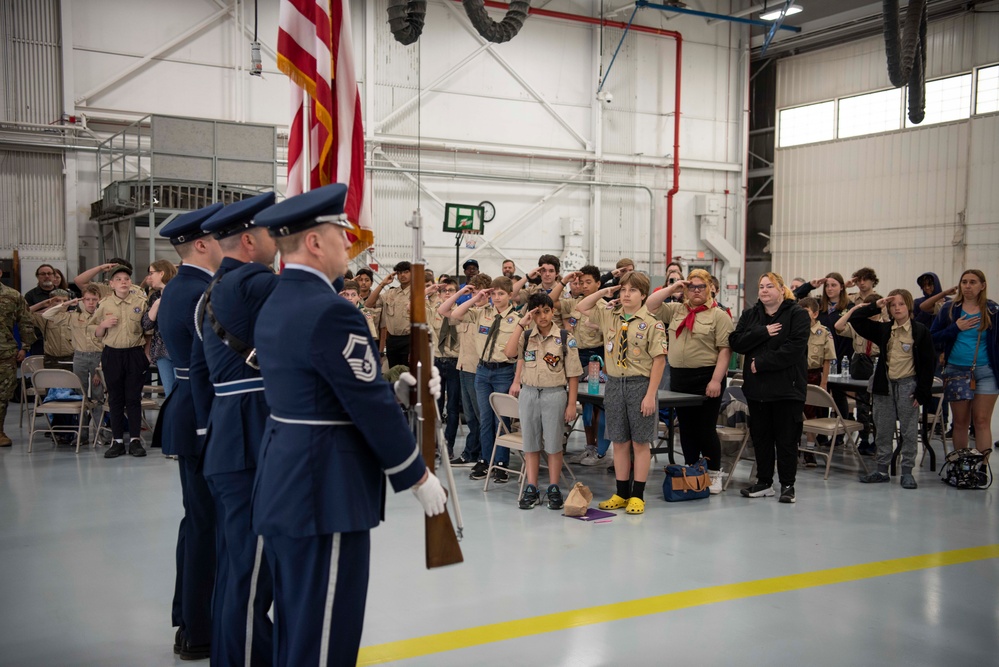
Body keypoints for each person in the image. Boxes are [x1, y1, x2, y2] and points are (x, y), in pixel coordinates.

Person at [251, 183, 447, 667]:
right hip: (325, 488)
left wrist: (398, 390)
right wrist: (416, 474)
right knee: (325, 635)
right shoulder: (331, 309)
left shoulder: (279, 299)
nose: (350, 243)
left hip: (286, 474)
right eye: (343, 233)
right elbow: (367, 407)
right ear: (315, 242)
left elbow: (325, 388)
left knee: (298, 625)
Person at [197, 193, 279, 666]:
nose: (277, 241)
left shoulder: (212, 290)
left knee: (236, 568)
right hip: (254, 438)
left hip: (227, 435)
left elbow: (199, 375)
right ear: (250, 240)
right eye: (271, 233)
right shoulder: (255, 282)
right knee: (253, 575)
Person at [155, 203, 224, 660]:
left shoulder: (183, 287)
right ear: (202, 244)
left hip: (188, 409)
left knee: (197, 522)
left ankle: (190, 620)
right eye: (222, 238)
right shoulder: (202, 293)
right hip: (203, 415)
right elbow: (211, 370)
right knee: (208, 526)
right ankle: (201, 628)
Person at [575, 272, 667, 515]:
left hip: (640, 385)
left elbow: (659, 361)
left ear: (644, 295)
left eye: (633, 290)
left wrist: (650, 395)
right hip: (615, 384)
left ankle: (637, 495)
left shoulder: (652, 323)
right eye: (623, 289)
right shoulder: (610, 315)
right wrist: (605, 292)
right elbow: (582, 305)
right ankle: (621, 492)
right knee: (619, 441)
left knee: (640, 442)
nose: (626, 294)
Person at [646, 269, 734, 492]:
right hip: (680, 377)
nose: (696, 291)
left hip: (707, 377)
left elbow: (725, 351)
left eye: (701, 287)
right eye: (691, 287)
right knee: (685, 428)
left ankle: (714, 473)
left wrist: (716, 380)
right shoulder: (676, 310)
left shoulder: (719, 315)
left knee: (705, 428)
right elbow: (650, 305)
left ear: (710, 288)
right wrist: (673, 288)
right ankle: (692, 469)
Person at [729, 272, 809, 504]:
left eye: (769, 286)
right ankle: (764, 482)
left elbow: (794, 349)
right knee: (761, 438)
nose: (764, 290)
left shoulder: (797, 315)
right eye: (761, 286)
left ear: (782, 290)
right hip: (757, 390)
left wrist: (761, 362)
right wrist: (762, 332)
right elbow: (736, 342)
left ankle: (787, 485)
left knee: (786, 439)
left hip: (787, 389)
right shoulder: (751, 315)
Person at [842, 290, 935, 488]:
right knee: (883, 427)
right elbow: (857, 319)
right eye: (893, 305)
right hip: (884, 385)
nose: (897, 308)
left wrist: (923, 391)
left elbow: (929, 363)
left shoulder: (919, 331)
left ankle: (907, 470)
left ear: (908, 306)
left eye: (901, 304)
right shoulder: (884, 329)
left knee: (909, 430)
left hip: (908, 385)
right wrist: (876, 305)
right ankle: (882, 469)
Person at [504, 293, 581, 509]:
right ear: (532, 314)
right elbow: (509, 352)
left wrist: (571, 403)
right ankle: (532, 487)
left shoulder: (565, 338)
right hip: (529, 393)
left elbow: (573, 373)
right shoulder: (527, 336)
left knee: (554, 443)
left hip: (554, 394)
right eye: (537, 312)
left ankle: (554, 487)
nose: (543, 316)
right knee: (531, 443)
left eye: (546, 311)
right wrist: (521, 324)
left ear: (553, 311)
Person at [449, 277, 520, 483]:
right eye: (494, 294)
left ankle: (501, 463)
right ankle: (486, 459)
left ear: (510, 295)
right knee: (485, 419)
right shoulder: (482, 313)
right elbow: (454, 313)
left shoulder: (517, 318)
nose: (497, 298)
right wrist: (477, 297)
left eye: (501, 294)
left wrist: (516, 379)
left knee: (502, 419)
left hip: (503, 371)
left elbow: (521, 353)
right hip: (482, 371)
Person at [931, 269, 998, 455]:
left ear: (982, 286)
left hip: (986, 372)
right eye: (964, 282)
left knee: (982, 421)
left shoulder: (992, 310)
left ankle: (982, 468)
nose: (968, 286)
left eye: (973, 282)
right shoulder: (949, 309)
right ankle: (961, 465)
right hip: (956, 370)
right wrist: (955, 328)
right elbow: (932, 337)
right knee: (960, 422)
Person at [90, 265, 149, 458]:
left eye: (126, 278)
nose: (123, 282)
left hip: (134, 354)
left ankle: (134, 440)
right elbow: (96, 332)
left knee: (133, 398)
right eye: (119, 279)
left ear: (130, 283)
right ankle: (116, 442)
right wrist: (102, 325)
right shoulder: (105, 304)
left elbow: (148, 332)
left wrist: (146, 355)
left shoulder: (141, 302)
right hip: (112, 355)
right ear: (112, 284)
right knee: (115, 399)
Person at [437, 273, 492, 465]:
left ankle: (478, 453)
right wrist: (462, 291)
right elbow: (444, 310)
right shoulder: (469, 310)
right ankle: (472, 452)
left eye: (479, 292)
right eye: (473, 292)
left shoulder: (488, 313)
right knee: (469, 415)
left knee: (479, 415)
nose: (476, 296)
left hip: (478, 369)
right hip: (463, 366)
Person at [40, 284, 104, 440]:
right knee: (79, 395)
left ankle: (100, 433)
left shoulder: (102, 316)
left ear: (99, 300)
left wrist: (100, 368)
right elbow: (47, 315)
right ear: (82, 299)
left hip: (98, 357)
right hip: (80, 357)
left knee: (98, 396)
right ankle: (81, 435)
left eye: (94, 299)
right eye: (87, 299)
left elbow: (108, 343)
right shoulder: (73, 316)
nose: (90, 303)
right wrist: (67, 304)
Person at [559, 265, 608, 466]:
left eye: (589, 282)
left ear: (598, 283)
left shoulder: (605, 307)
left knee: (597, 405)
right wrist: (565, 280)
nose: (584, 286)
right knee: (585, 404)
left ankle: (599, 450)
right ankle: (589, 447)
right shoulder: (575, 304)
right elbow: (554, 303)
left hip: (596, 357)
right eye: (581, 282)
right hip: (576, 356)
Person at [797, 296, 836, 466]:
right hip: (797, 374)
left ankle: (810, 450)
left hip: (814, 375)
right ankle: (795, 446)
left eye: (806, 313)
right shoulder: (796, 330)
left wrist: (824, 383)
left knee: (811, 414)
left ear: (815, 313)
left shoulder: (824, 332)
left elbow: (827, 359)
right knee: (797, 413)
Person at [0, 268, 36, 447]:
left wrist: (26, 346)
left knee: (3, 395)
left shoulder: (12, 296)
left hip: (5, 352)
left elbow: (26, 321)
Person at [430, 278, 462, 462]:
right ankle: (435, 443)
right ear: (439, 294)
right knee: (436, 406)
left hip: (455, 362)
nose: (447, 293)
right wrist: (430, 289)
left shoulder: (462, 311)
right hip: (437, 361)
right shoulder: (432, 311)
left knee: (452, 408)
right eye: (444, 291)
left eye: (451, 290)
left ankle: (448, 445)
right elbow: (411, 305)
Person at [365, 261, 412, 369]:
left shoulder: (418, 293)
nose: (402, 275)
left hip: (410, 340)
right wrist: (382, 284)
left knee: (409, 377)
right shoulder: (390, 293)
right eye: (399, 273)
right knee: (393, 375)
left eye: (406, 272)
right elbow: (369, 304)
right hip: (392, 340)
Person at [142, 259, 178, 397]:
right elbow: (146, 324)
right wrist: (157, 305)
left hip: (178, 349)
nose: (149, 277)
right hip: (161, 351)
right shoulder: (155, 296)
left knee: (182, 392)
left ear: (161, 273)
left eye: (152, 273)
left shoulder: (178, 293)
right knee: (169, 394)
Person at [28, 289, 74, 368]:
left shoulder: (74, 316)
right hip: (52, 359)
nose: (62, 304)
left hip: (72, 358)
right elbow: (24, 313)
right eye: (57, 301)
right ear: (51, 302)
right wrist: (42, 304)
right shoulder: (44, 318)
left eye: (65, 301)